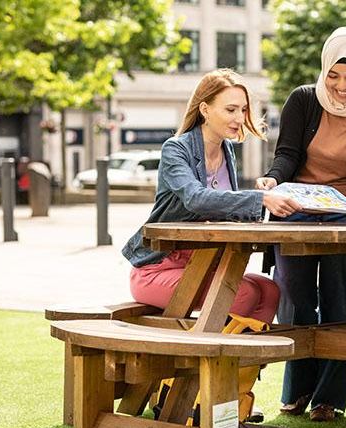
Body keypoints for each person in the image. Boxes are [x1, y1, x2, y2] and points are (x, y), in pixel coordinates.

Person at [255, 27, 346, 422]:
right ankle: (297, 389)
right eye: (334, 75)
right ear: (323, 70)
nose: (342, 86)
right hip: (297, 208)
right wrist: (272, 178)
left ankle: (329, 397)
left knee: (339, 301)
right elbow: (286, 153)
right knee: (296, 298)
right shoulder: (303, 99)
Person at [122, 68, 301, 326]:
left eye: (243, 110)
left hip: (205, 264)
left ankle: (245, 367)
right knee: (244, 294)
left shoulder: (226, 150)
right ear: (205, 110)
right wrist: (258, 199)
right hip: (159, 268)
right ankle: (215, 361)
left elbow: (223, 207)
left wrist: (264, 195)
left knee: (270, 289)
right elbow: (196, 199)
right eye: (231, 110)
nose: (240, 117)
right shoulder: (176, 149)